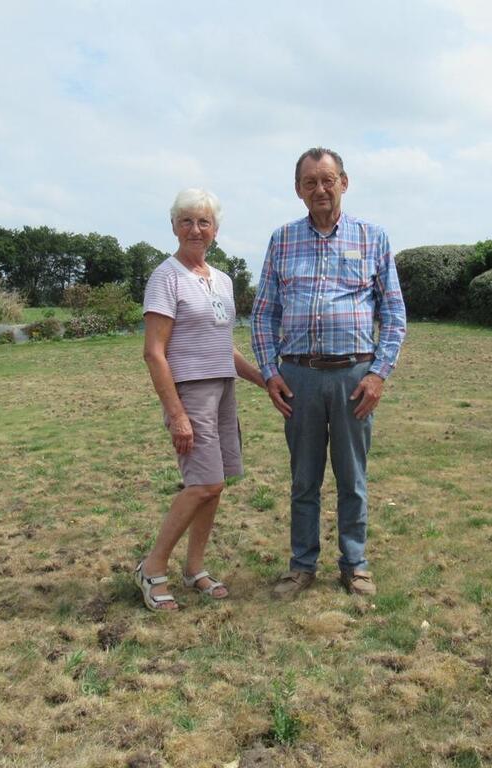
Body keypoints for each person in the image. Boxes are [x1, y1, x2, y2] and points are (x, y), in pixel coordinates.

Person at [251, 147, 407, 599]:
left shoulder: (372, 237)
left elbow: (393, 313)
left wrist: (378, 374)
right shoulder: (281, 240)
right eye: (310, 182)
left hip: (354, 378)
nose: (320, 189)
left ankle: (354, 564)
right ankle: (302, 566)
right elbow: (263, 314)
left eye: (328, 179)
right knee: (304, 479)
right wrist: (268, 371)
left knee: (352, 478)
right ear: (298, 191)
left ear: (344, 182)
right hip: (297, 378)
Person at [136, 188, 265, 611]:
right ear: (174, 227)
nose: (195, 229)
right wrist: (176, 414)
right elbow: (154, 351)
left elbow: (223, 348)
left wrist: (264, 381)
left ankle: (194, 568)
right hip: (190, 392)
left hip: (223, 388)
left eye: (203, 222)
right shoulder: (166, 277)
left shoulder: (222, 280)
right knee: (202, 483)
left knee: (217, 485)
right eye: (187, 221)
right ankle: (152, 567)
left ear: (215, 230)